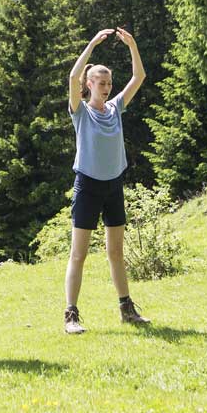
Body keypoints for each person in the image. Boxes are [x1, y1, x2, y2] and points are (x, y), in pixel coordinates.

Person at [62, 26, 150, 334]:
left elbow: (139, 77)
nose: (107, 87)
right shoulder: (80, 112)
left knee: (116, 251)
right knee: (79, 253)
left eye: (109, 83)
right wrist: (90, 45)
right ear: (89, 84)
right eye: (101, 82)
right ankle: (71, 315)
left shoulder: (115, 108)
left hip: (113, 186)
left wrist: (133, 46)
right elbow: (72, 78)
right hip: (87, 186)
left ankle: (127, 309)